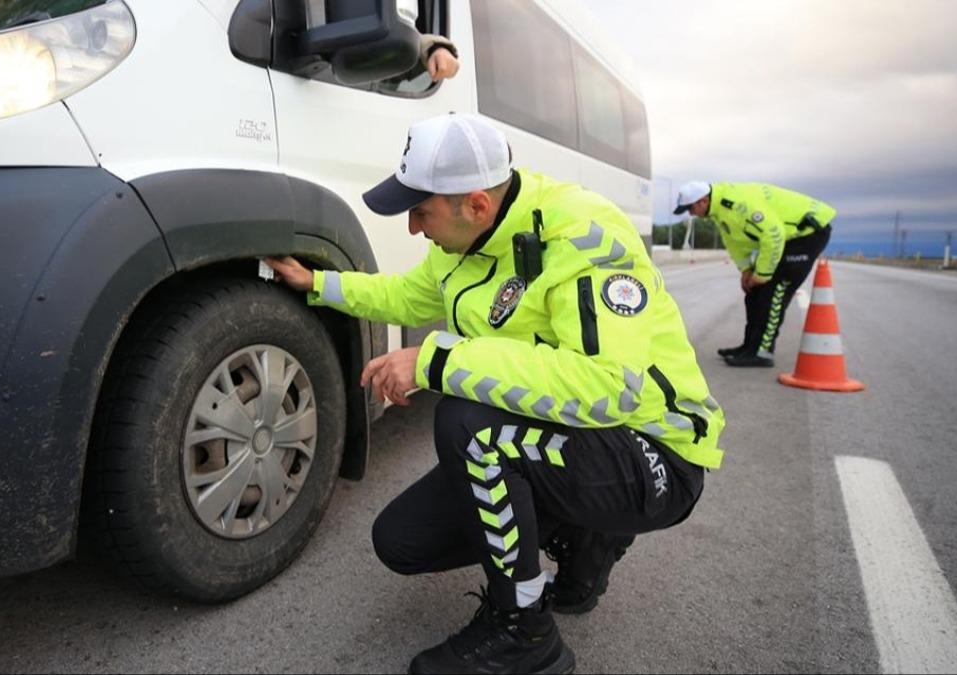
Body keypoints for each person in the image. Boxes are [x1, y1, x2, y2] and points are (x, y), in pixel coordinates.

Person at [266, 113, 725, 675]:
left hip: (653, 454)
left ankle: (524, 630)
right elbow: (405, 297)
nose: (413, 227)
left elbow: (612, 388)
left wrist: (434, 361)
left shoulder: (582, 236)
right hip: (576, 442)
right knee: (401, 541)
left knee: (470, 427)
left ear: (476, 204)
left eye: (421, 210)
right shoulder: (461, 242)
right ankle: (588, 539)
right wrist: (316, 283)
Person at [673, 181, 835, 367]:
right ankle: (750, 346)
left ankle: (761, 352)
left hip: (808, 232)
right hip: (787, 237)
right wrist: (747, 271)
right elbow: (734, 243)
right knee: (753, 293)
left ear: (702, 201)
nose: (690, 214)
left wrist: (762, 275)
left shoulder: (738, 204)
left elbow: (773, 234)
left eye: (690, 208)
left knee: (774, 290)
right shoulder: (719, 211)